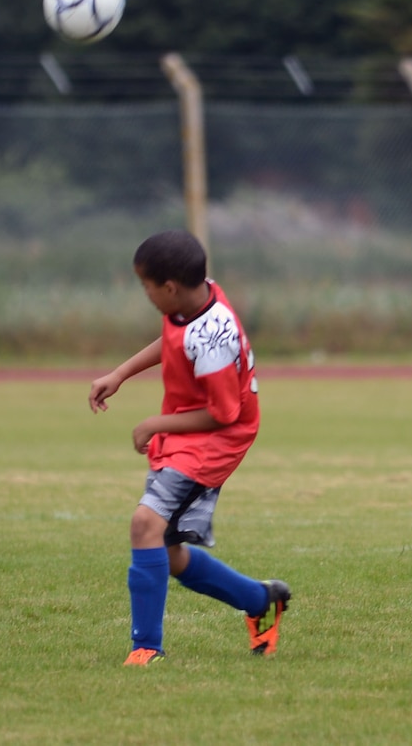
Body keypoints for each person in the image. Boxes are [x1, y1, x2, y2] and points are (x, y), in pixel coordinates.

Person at [87, 230, 292, 666]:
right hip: (191, 432)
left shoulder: (214, 337)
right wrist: (120, 374)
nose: (145, 295)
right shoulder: (191, 301)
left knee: (145, 525)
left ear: (169, 287)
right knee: (168, 554)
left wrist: (154, 423)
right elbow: (176, 341)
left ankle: (146, 648)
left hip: (214, 440)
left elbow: (223, 413)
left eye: (146, 287)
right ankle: (260, 600)